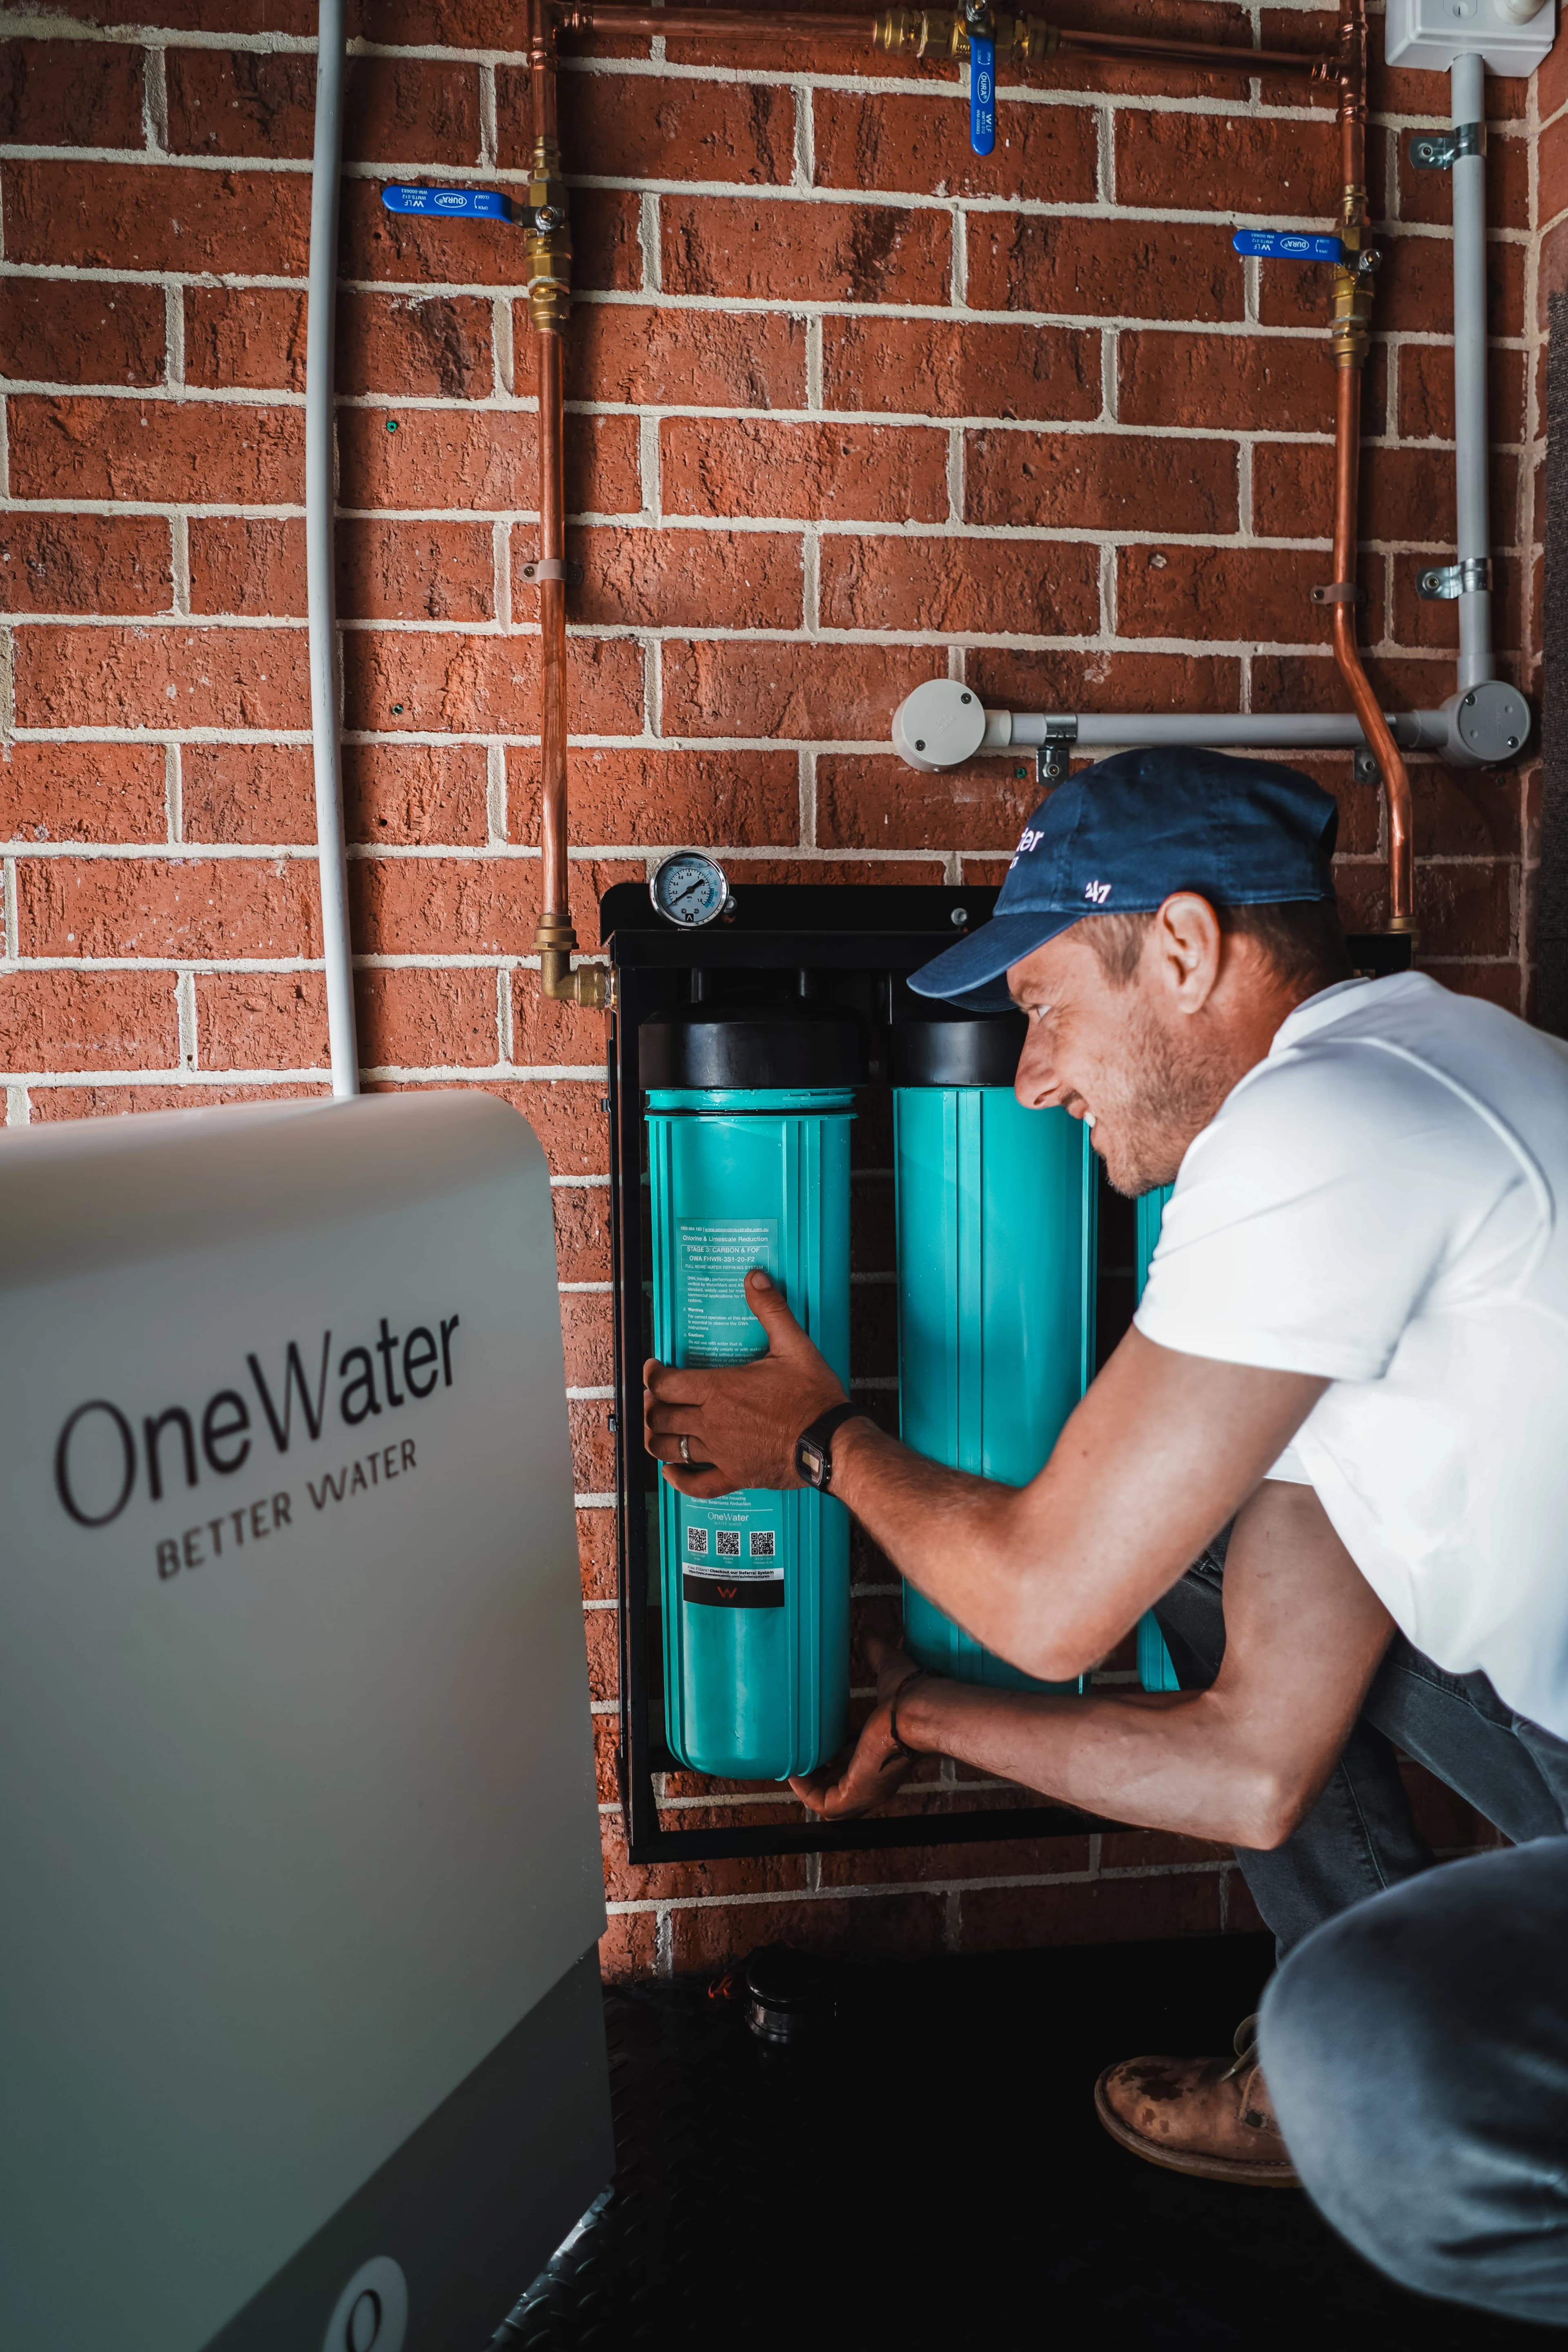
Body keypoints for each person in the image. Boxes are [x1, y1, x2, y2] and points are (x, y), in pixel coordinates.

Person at [642, 750, 1568, 2325]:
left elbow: (1057, 1605)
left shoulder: (1323, 1122)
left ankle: (1324, 2083)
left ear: (1190, 952)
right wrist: (925, 1711)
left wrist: (820, 1442)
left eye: (1050, 999)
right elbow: (1255, 1759)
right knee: (1199, 1550)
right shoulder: (1431, 1057)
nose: (1027, 1074)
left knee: (1373, 2062)